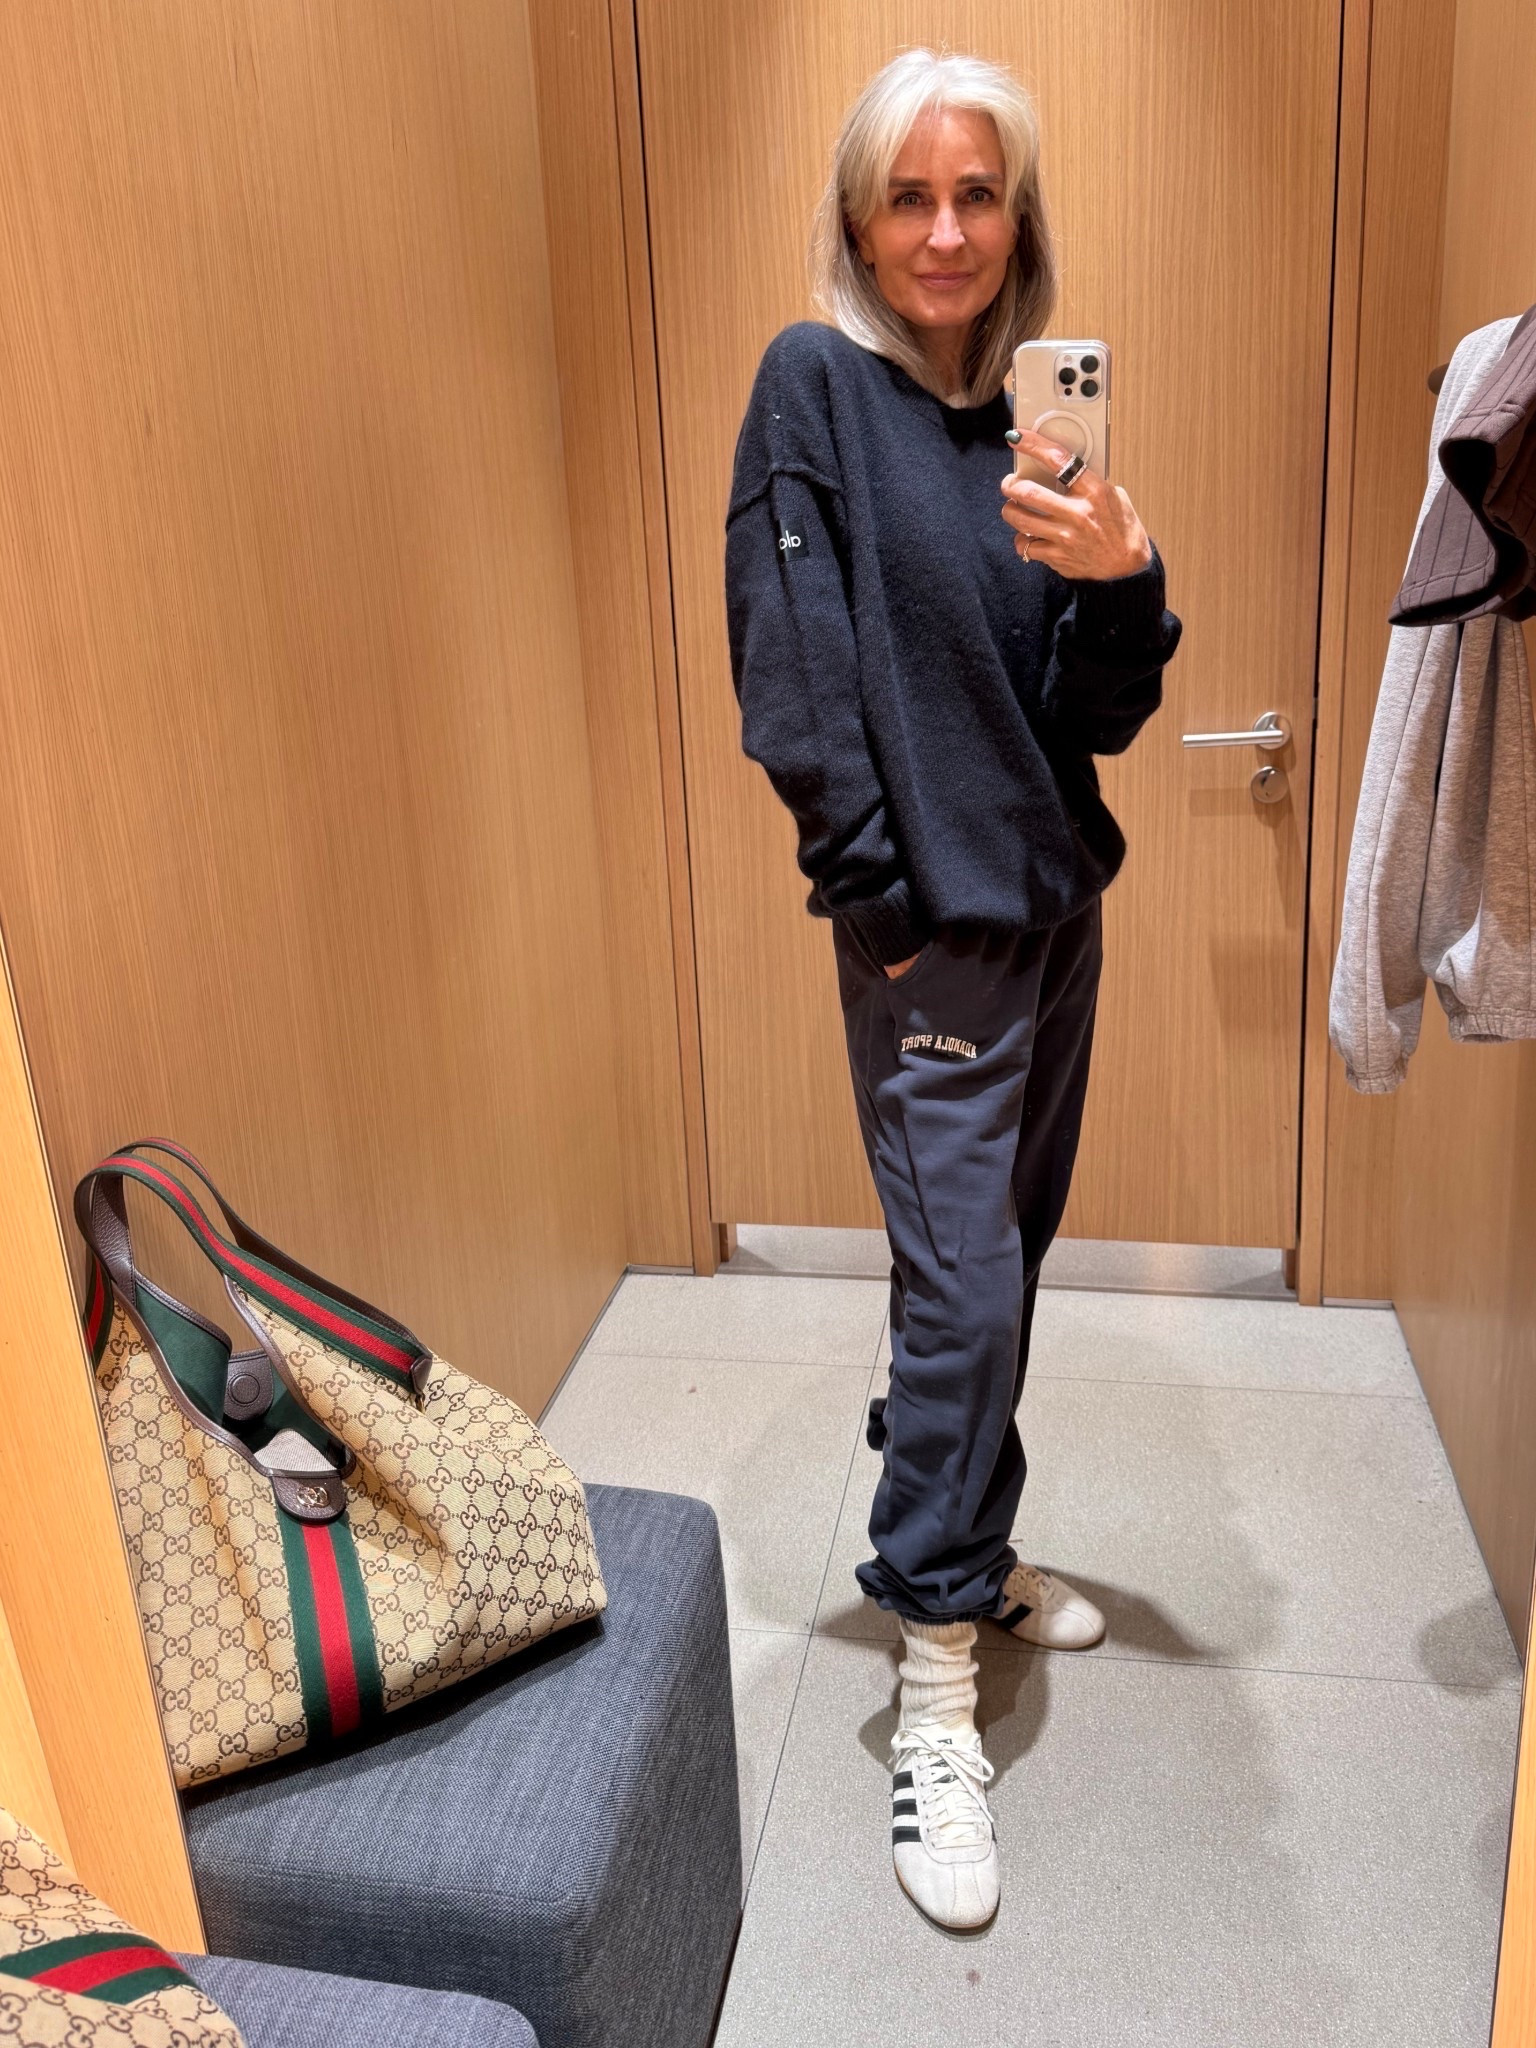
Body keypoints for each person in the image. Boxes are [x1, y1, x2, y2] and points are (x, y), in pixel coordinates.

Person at [724, 48, 1182, 1931]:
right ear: (856, 217)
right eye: (907, 196)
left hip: (1057, 917)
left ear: (1017, 218)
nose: (943, 230)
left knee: (1004, 1270)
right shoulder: (812, 389)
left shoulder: (1033, 432)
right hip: (932, 937)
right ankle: (931, 1674)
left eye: (976, 194)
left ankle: (970, 1550)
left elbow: (1095, 716)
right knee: (963, 1293)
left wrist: (1125, 577)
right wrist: (877, 903)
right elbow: (792, 668)